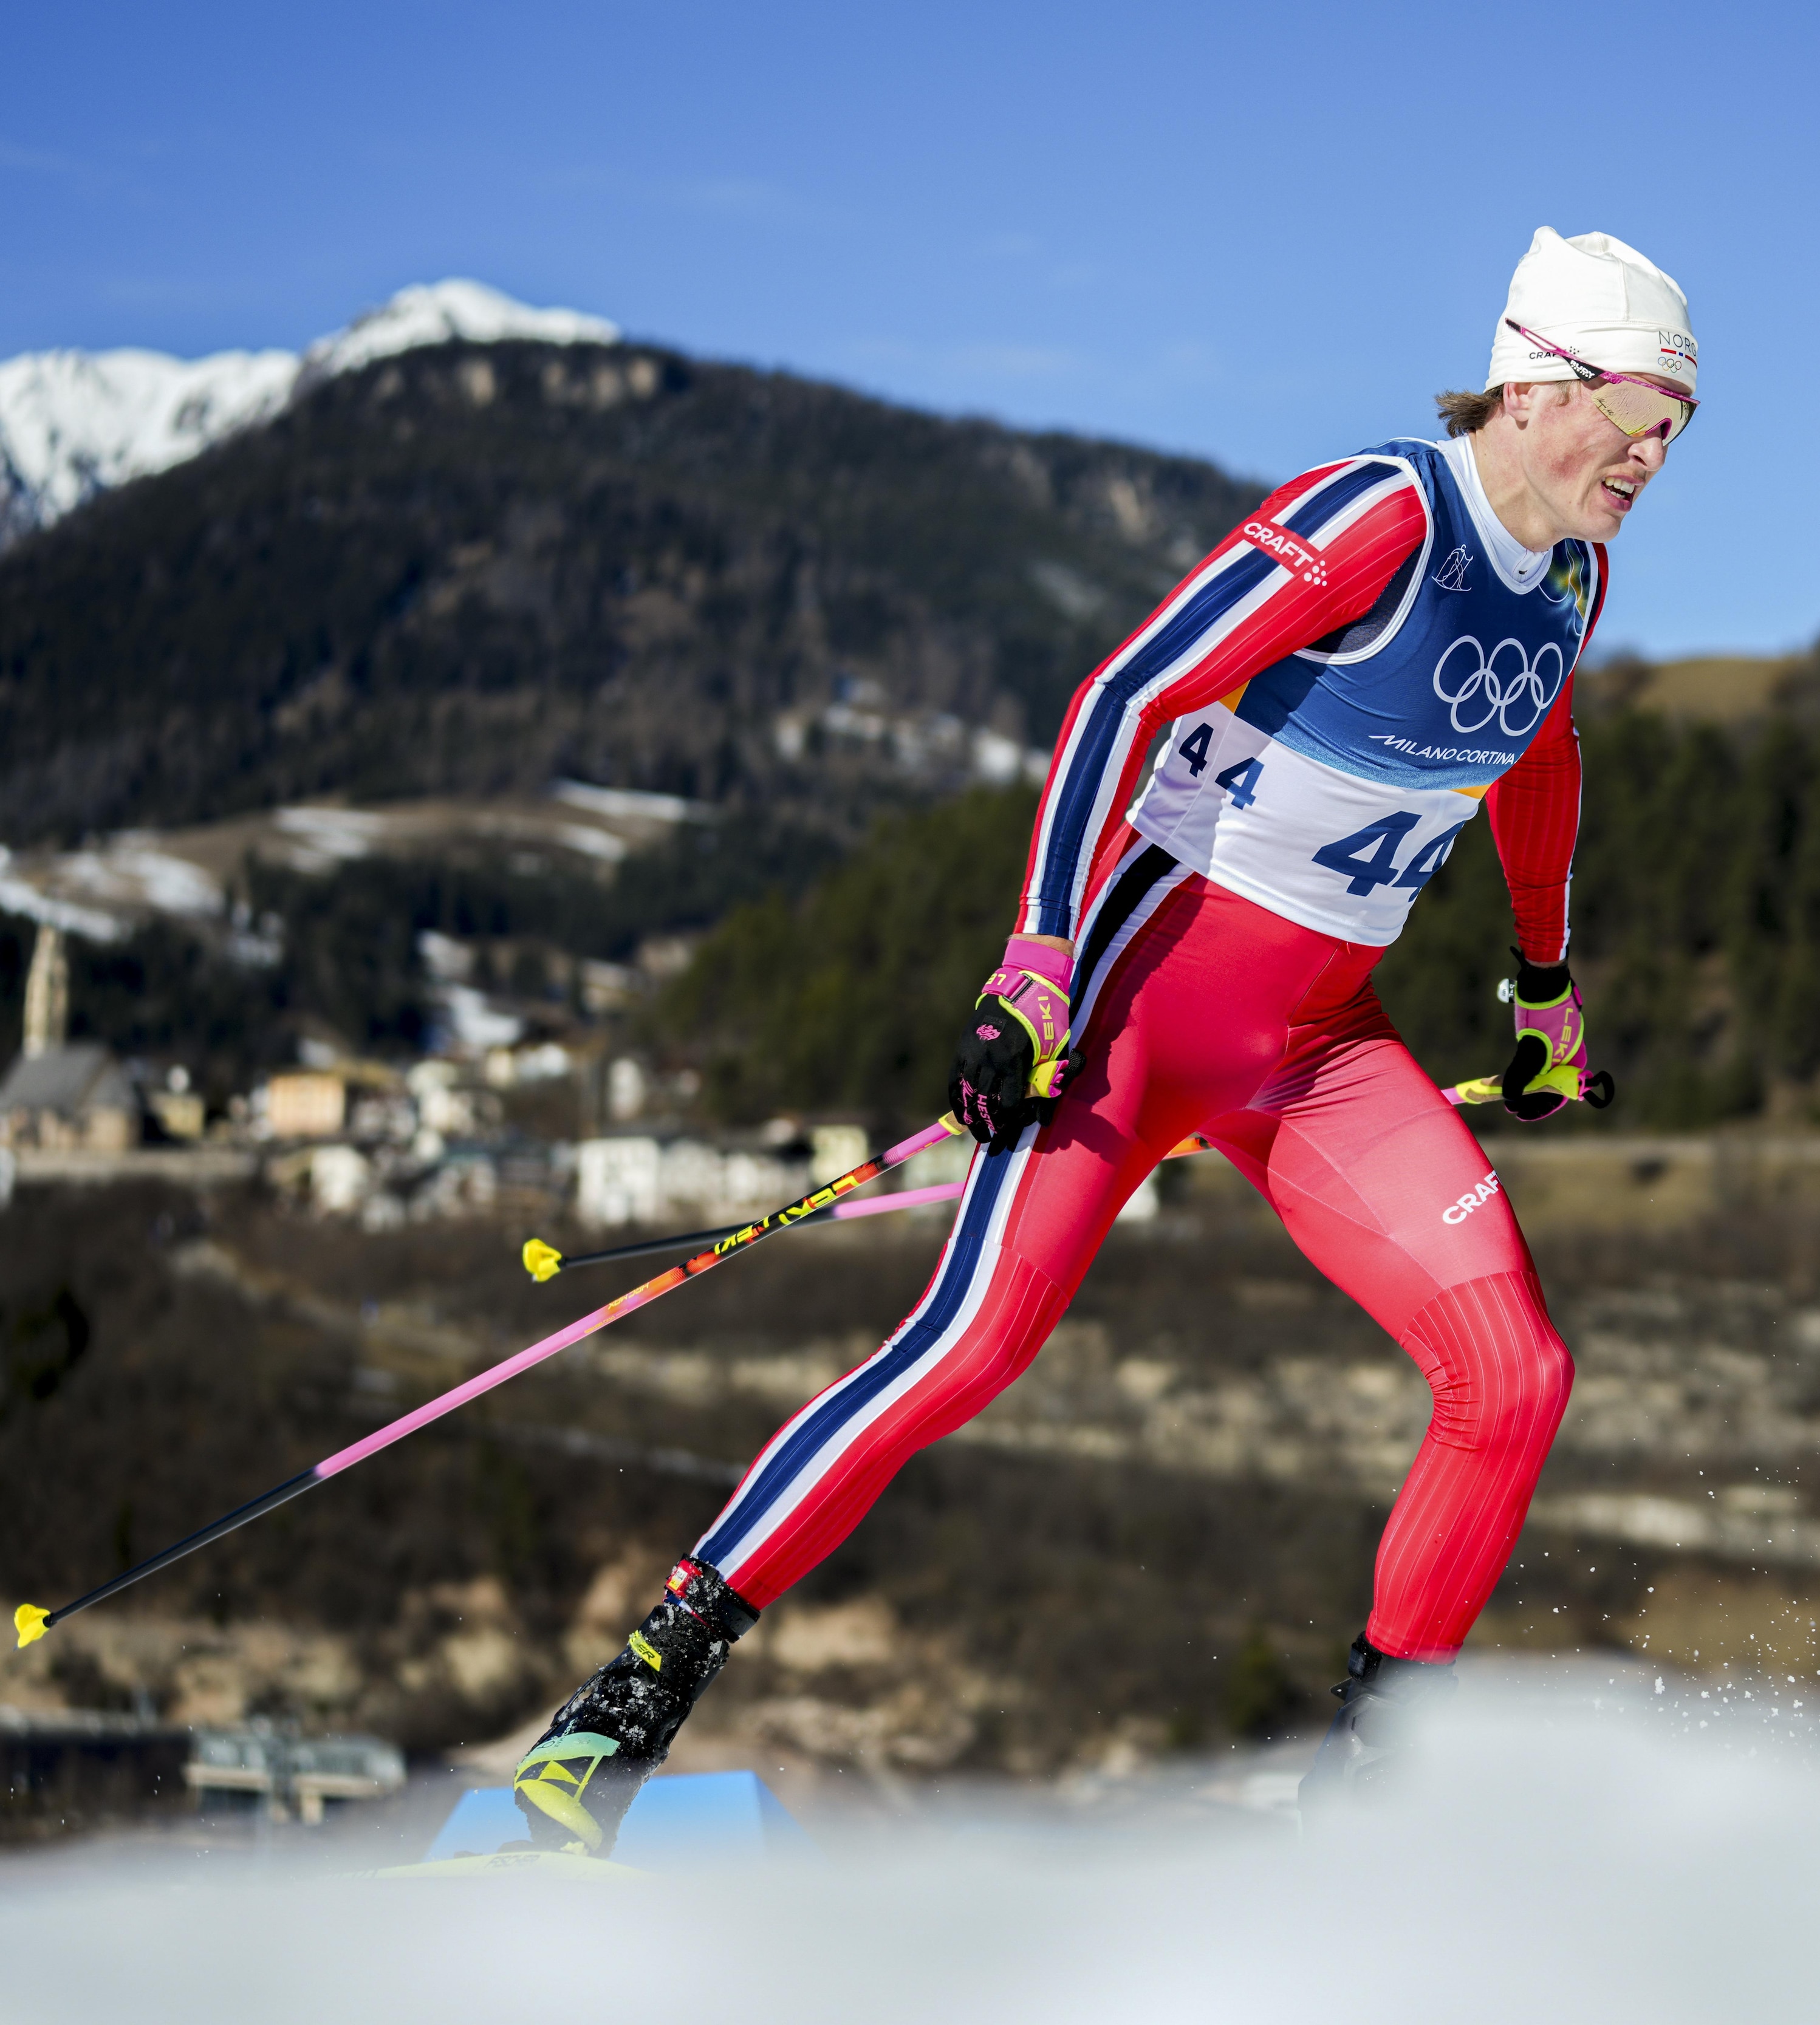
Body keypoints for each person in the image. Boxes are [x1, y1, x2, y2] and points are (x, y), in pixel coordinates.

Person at [507, 227, 1700, 1852]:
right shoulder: (1382, 515)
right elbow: (1119, 700)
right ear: (1534, 377)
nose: (1656, 453)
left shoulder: (1574, 577)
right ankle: (616, 1719)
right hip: (1134, 1011)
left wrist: (1546, 985)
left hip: (1320, 1047)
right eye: (1637, 409)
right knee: (971, 1350)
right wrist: (1039, 965)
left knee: (1516, 1374)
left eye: (1679, 427)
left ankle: (1373, 1800)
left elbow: (1539, 760)